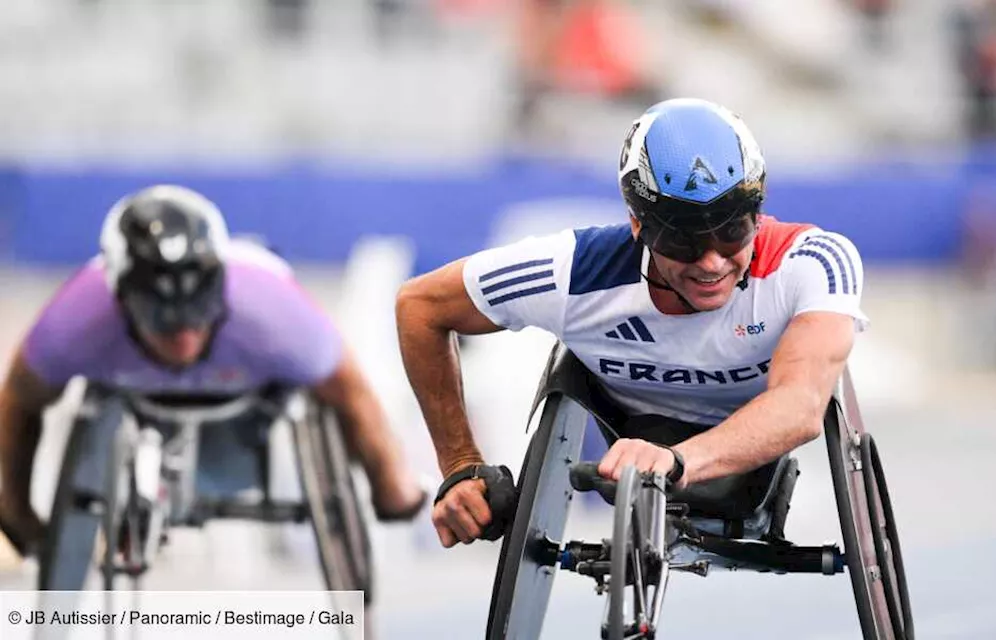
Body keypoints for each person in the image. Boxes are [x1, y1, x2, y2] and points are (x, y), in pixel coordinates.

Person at [396, 97, 869, 548]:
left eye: (731, 233)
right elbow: (419, 306)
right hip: (633, 435)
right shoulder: (575, 271)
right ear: (638, 225)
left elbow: (802, 404)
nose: (710, 262)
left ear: (757, 213)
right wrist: (459, 464)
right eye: (681, 241)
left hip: (748, 450)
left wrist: (678, 460)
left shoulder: (814, 261)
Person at [0, 185, 426, 556]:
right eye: (163, 319)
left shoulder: (275, 313)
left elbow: (350, 391)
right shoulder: (74, 320)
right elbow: (17, 403)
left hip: (246, 406)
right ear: (121, 297)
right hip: (134, 398)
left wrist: (389, 484)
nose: (183, 335)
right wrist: (15, 508)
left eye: (195, 315)